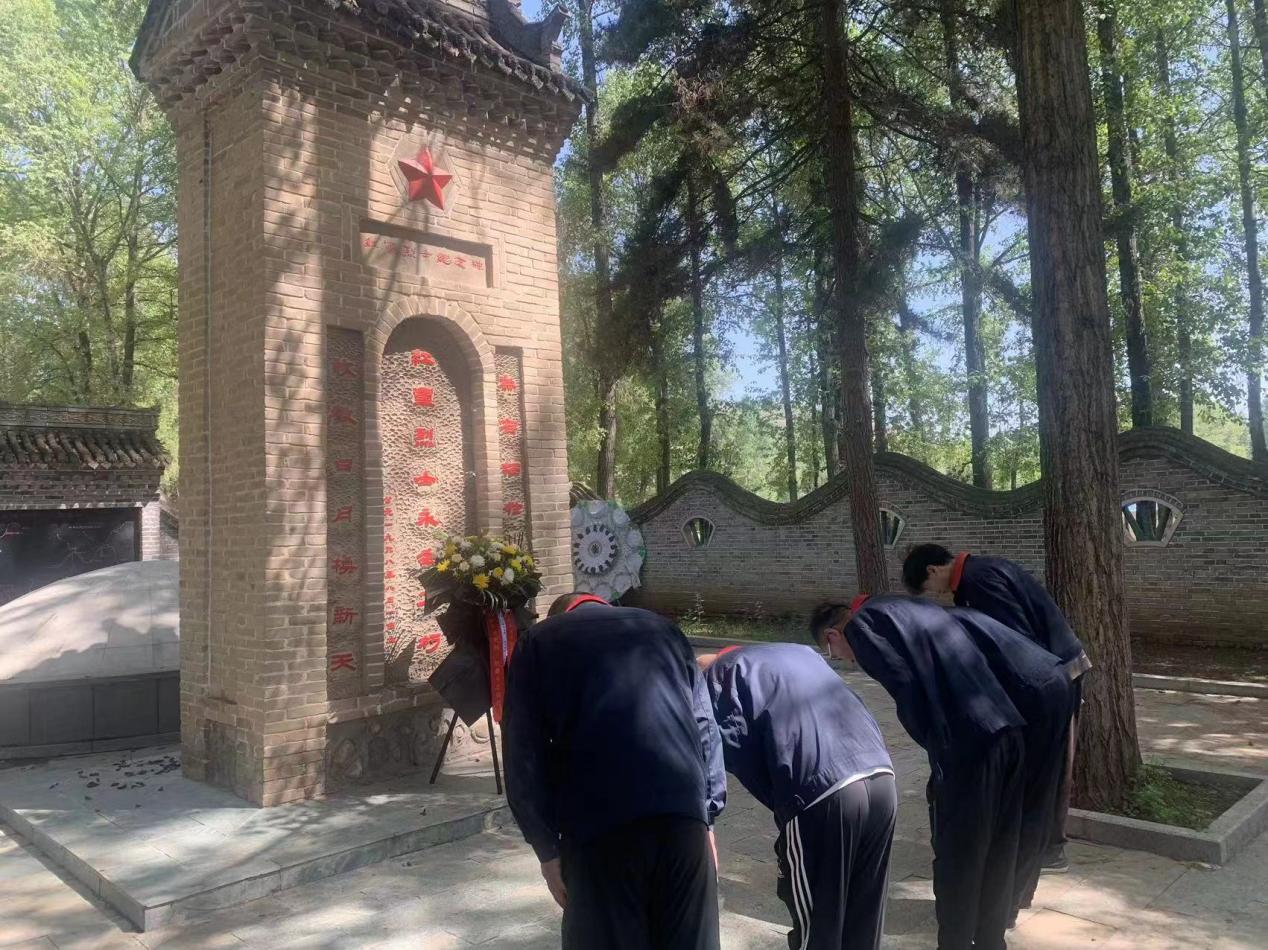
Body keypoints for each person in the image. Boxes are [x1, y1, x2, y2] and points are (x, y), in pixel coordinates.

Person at [503, 593, 726, 950]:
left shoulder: (539, 642)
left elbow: (522, 752)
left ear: (557, 615)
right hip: (682, 816)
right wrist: (707, 820)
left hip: (598, 828)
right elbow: (704, 726)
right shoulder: (665, 630)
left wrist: (546, 850)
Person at [811, 595, 1025, 950]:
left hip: (968, 745)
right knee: (999, 849)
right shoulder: (901, 610)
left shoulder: (862, 628)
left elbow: (906, 689)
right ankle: (991, 941)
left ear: (834, 635)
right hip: (1010, 729)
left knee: (957, 855)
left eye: (834, 654)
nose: (847, 660)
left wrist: (940, 754)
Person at [902, 544, 1091, 871]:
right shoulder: (980, 572)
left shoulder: (979, 582)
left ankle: (1048, 850)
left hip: (1051, 677)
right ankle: (1042, 846)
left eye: (929, 588)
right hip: (1054, 671)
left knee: (1047, 765)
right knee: (1047, 762)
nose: (936, 594)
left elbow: (1016, 643)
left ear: (933, 570)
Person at [698, 643, 896, 950]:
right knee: (864, 918)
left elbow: (724, 750)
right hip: (881, 775)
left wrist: (784, 805)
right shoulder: (800, 653)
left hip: (822, 795)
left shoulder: (719, 677)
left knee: (817, 929)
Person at [947, 607, 1070, 915]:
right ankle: (1015, 897)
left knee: (1020, 802)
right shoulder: (951, 618)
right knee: (1035, 797)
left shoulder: (933, 630)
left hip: (1035, 692)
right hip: (1050, 678)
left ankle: (1004, 904)